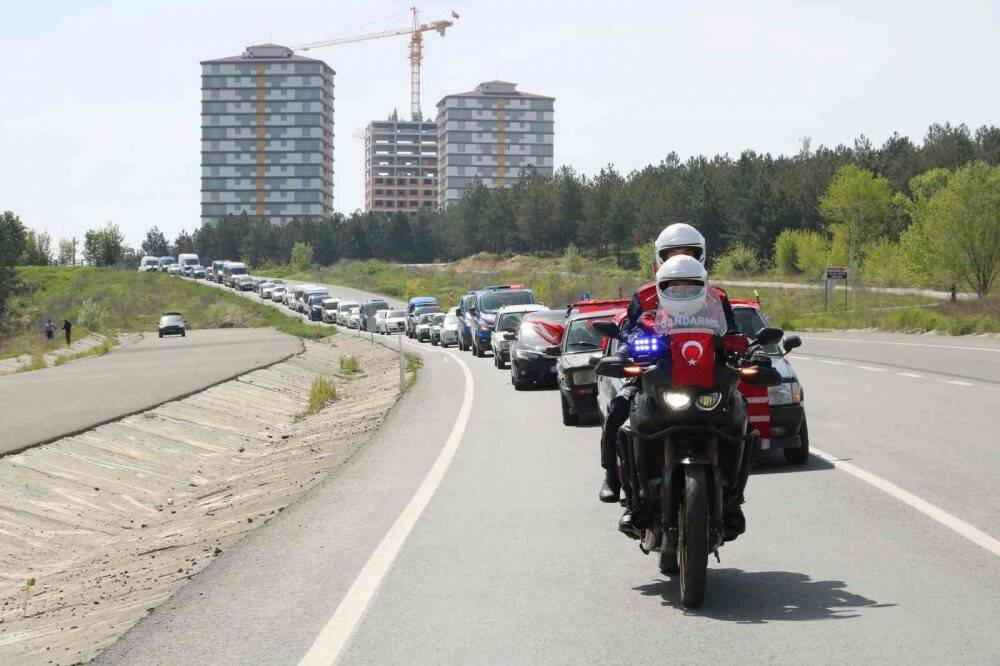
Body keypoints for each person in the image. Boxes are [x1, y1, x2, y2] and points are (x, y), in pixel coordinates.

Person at [598, 223, 748, 535]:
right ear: (660, 259)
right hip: (655, 376)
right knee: (618, 412)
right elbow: (629, 328)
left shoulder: (716, 297)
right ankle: (615, 481)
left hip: (705, 379)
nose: (680, 257)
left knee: (741, 411)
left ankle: (733, 499)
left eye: (688, 252)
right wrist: (629, 349)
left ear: (701, 256)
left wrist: (746, 351)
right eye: (672, 254)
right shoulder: (646, 294)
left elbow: (731, 334)